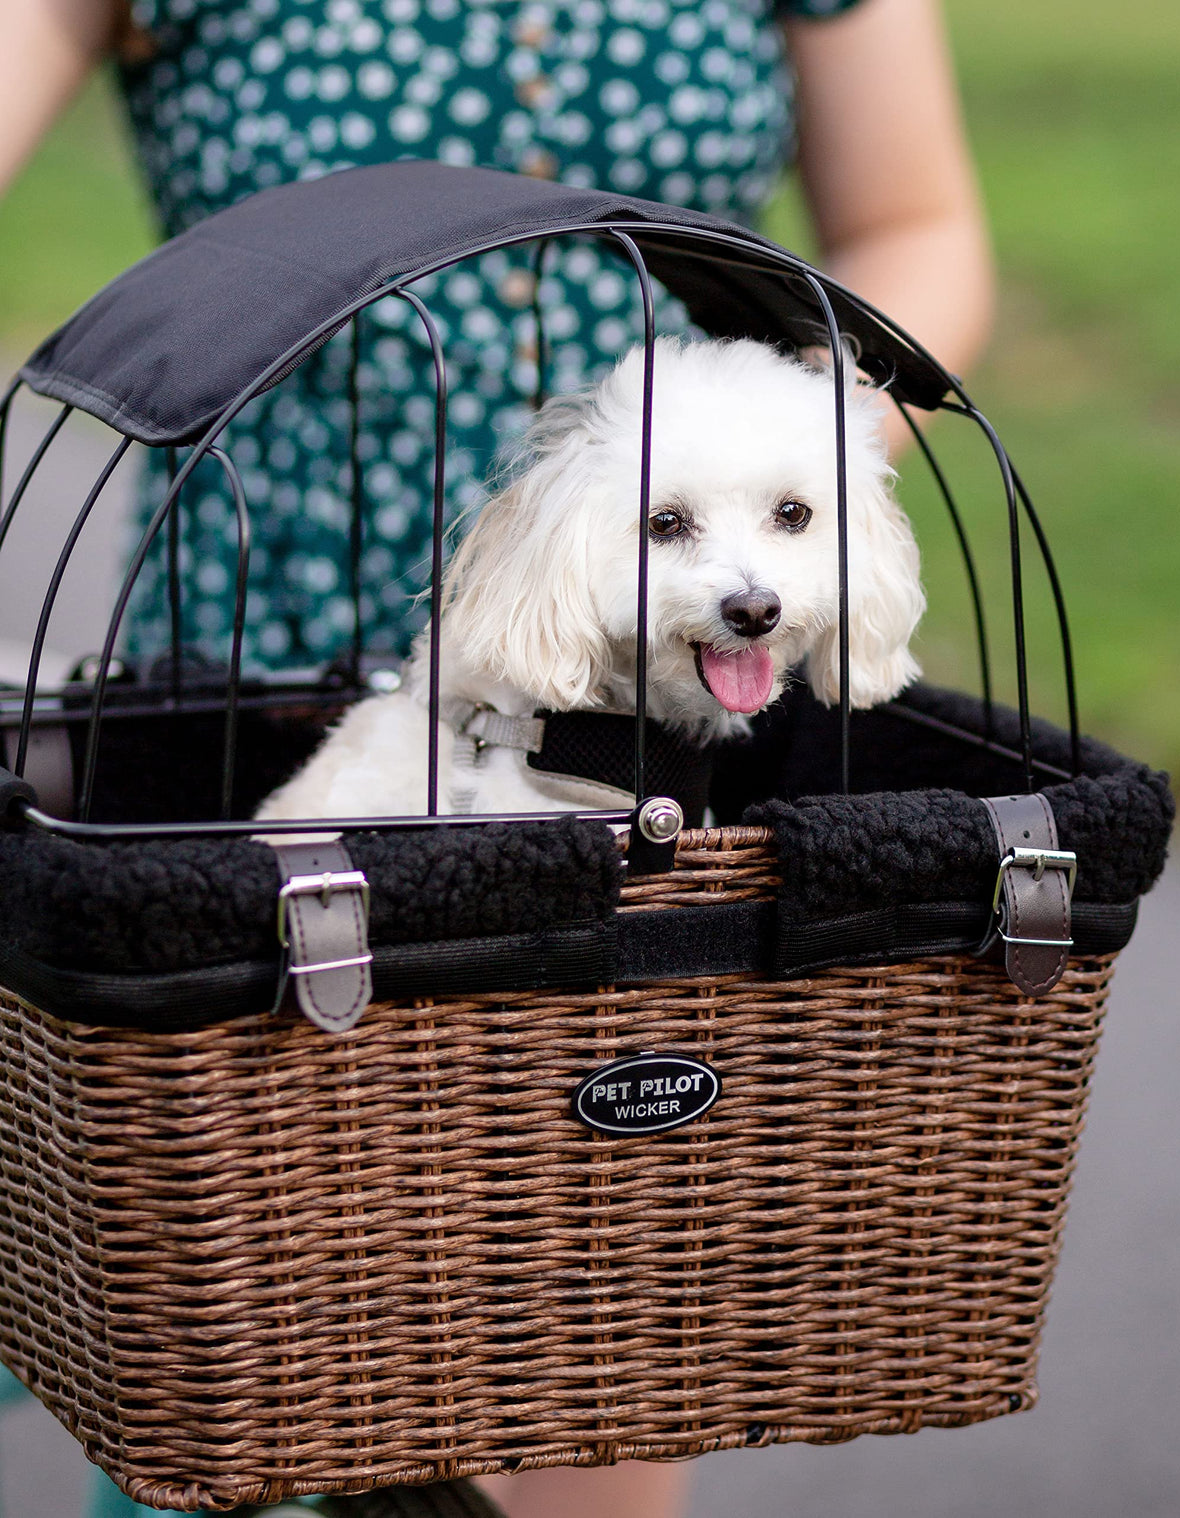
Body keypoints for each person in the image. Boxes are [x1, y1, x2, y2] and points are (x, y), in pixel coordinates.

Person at [0, 2, 992, 1515]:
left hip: (644, 714)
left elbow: (913, 220)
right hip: (256, 646)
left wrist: (789, 469)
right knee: (227, 1301)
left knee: (591, 1316)